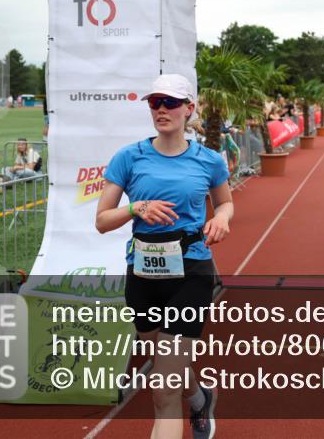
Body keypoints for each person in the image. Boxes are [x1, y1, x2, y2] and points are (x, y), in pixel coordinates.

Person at [96, 74, 233, 439]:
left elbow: (226, 203)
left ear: (189, 109)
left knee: (162, 390)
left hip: (191, 273)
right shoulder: (128, 157)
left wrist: (220, 219)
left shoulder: (209, 160)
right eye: (155, 102)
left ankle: (190, 401)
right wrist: (135, 208)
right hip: (142, 276)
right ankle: (200, 398)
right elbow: (102, 221)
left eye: (170, 102)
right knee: (169, 364)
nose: (161, 109)